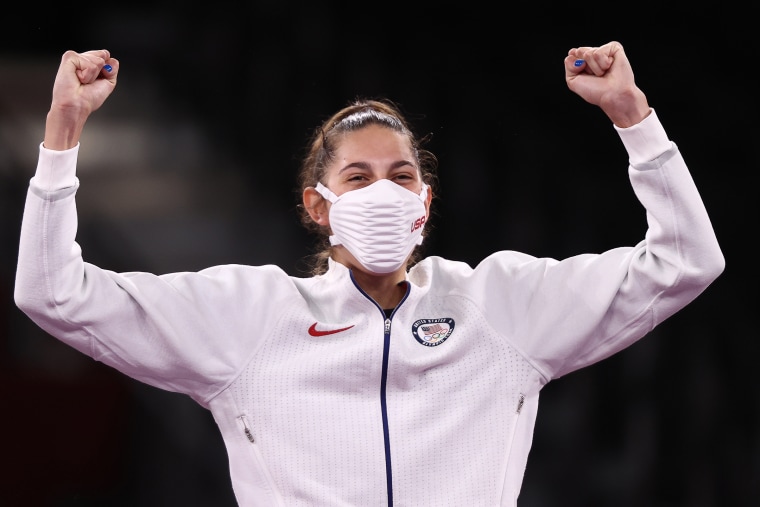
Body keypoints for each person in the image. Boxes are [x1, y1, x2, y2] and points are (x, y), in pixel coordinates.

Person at [14, 41, 724, 506]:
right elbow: (52, 291)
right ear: (316, 205)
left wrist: (633, 116)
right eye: (358, 177)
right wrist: (63, 133)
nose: (382, 191)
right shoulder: (249, 315)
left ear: (425, 201)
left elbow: (687, 258)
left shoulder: (502, 304)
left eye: (401, 175)